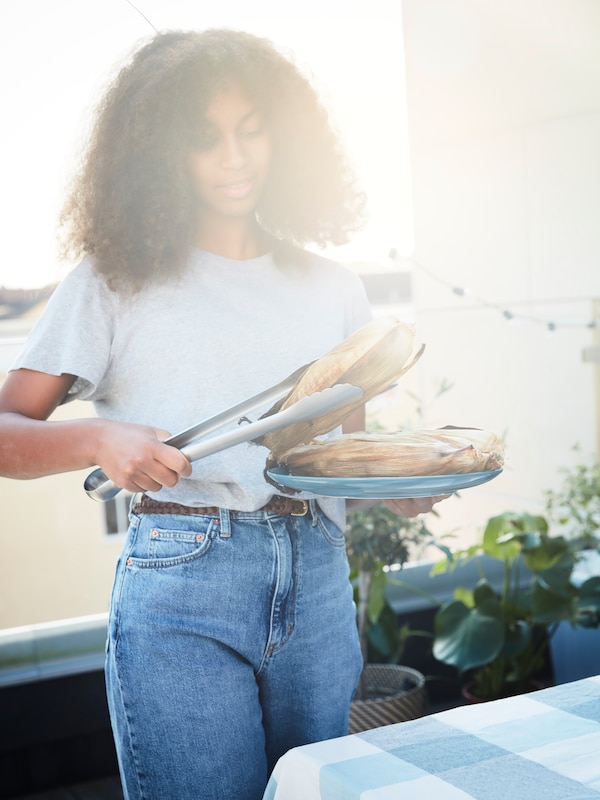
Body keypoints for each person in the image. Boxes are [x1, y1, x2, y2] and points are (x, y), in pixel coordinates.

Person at [0, 29, 444, 800]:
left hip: (316, 580)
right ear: (161, 152)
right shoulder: (114, 279)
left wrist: (396, 488)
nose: (234, 158)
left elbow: (346, 454)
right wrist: (101, 437)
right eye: (205, 139)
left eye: (251, 130)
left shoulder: (333, 286)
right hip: (182, 580)